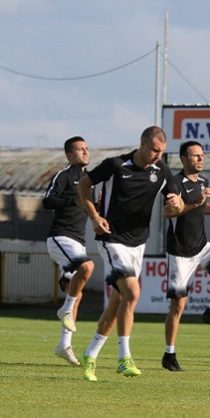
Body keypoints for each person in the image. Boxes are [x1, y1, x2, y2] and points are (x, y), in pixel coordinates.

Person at [77, 126, 184, 381]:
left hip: (138, 244)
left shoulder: (162, 171)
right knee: (133, 292)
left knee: (118, 302)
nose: (158, 155)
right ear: (143, 144)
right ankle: (124, 358)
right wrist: (94, 216)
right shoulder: (116, 165)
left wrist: (175, 205)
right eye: (155, 150)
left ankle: (90, 354)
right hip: (111, 238)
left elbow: (176, 205)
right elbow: (83, 185)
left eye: (162, 152)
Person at [162, 141, 210, 372]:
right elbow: (170, 211)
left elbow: (202, 208)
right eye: (195, 156)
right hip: (180, 252)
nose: (200, 159)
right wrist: (197, 201)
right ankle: (169, 355)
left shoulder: (204, 181)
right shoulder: (174, 183)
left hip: (201, 246)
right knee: (178, 306)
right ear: (184, 159)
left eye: (202, 155)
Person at [43, 136, 95, 366]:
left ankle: (64, 344)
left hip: (78, 242)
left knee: (77, 291)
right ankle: (64, 308)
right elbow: (47, 201)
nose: (85, 152)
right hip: (60, 238)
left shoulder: (89, 180)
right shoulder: (64, 176)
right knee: (87, 267)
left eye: (86, 148)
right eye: (80, 149)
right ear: (69, 155)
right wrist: (69, 201)